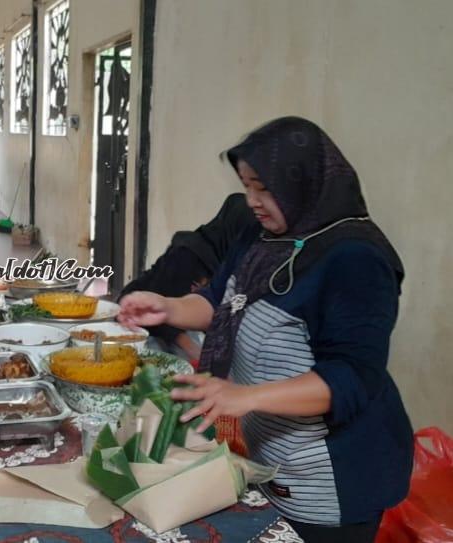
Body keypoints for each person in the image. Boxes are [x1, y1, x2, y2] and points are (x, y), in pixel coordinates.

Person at [117, 117, 413, 542]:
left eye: (264, 187)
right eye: (247, 185)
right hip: (272, 456)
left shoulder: (355, 258)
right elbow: (220, 301)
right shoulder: (262, 237)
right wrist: (165, 307)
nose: (253, 200)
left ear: (304, 182)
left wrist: (245, 396)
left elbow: (351, 377)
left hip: (334, 476)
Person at [118, 193, 256, 361]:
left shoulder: (228, 261)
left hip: (170, 321)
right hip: (138, 322)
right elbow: (163, 307)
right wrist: (195, 353)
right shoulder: (188, 255)